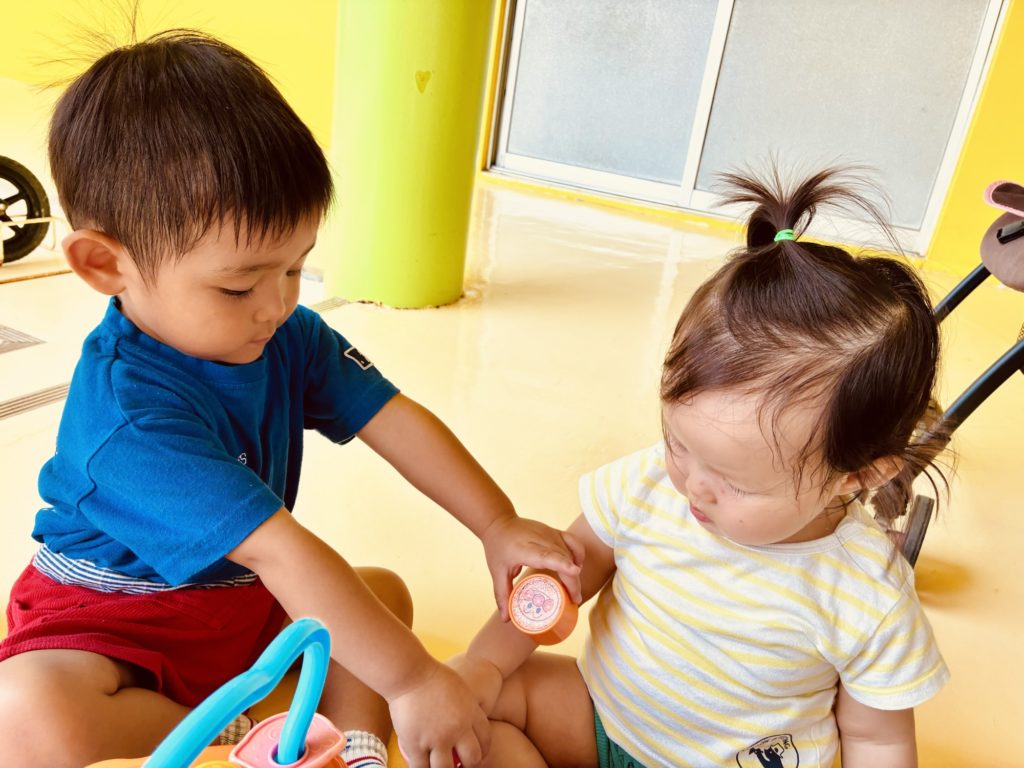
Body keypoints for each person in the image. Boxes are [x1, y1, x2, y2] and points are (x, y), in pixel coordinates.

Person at [0, 30, 583, 768]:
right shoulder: (129, 420)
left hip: (240, 605)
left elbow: (391, 416)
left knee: (382, 596)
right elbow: (279, 549)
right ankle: (234, 730)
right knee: (24, 717)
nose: (277, 304)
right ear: (103, 262)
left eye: (297, 267)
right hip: (115, 628)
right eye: (240, 285)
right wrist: (411, 678)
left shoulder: (284, 332)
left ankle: (357, 749)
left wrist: (495, 523)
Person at [450, 167, 951, 767]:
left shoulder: (865, 593)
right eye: (677, 442)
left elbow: (877, 739)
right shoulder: (646, 485)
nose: (692, 484)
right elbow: (562, 580)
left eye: (736, 482)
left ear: (858, 475)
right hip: (601, 719)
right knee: (480, 704)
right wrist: (482, 664)